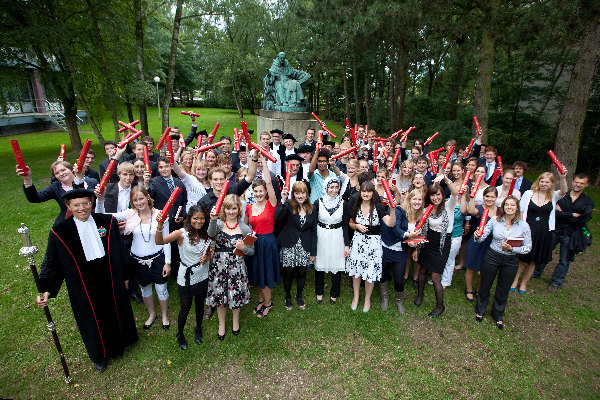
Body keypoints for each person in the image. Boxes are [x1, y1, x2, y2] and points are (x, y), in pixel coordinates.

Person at [37, 189, 138, 371]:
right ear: (68, 206)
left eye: (86, 203)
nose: (82, 208)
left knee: (115, 310)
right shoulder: (60, 232)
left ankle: (120, 343)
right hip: (82, 284)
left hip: (109, 277)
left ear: (92, 203)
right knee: (91, 318)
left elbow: (119, 251)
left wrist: (124, 274)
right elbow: (52, 263)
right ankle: (98, 354)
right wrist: (46, 289)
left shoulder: (106, 222)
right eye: (76, 205)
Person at [96, 186, 172, 330]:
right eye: (135, 200)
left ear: (147, 197)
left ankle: (164, 315)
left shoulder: (161, 215)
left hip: (157, 258)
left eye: (141, 198)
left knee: (161, 288)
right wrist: (100, 199)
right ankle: (151, 314)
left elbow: (166, 240)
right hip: (137, 260)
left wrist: (167, 262)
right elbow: (102, 216)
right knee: (145, 289)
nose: (138, 202)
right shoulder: (130, 214)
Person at [156, 205, 213, 349]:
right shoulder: (181, 234)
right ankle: (180, 334)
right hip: (186, 277)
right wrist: (159, 225)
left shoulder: (206, 233)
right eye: (195, 218)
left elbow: (210, 250)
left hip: (202, 275)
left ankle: (198, 328)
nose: (199, 221)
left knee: (200, 304)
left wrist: (207, 258)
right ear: (189, 219)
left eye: (201, 218)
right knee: (185, 307)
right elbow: (159, 241)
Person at [474, 196, 532, 329]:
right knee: (485, 285)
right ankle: (480, 310)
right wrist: (477, 236)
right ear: (503, 207)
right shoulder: (495, 220)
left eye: (512, 205)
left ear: (517, 208)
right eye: (507, 205)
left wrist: (513, 248)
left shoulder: (524, 225)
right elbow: (482, 237)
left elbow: (528, 248)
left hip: (511, 260)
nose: (509, 207)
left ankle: (498, 314)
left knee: (503, 288)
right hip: (493, 256)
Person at [534, 173, 594, 291]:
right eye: (577, 182)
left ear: (586, 185)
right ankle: (536, 272)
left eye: (582, 183)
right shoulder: (561, 196)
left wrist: (563, 213)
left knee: (564, 259)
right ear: (573, 181)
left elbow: (583, 218)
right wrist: (572, 215)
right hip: (555, 229)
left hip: (571, 233)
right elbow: (552, 212)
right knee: (545, 252)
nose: (578, 185)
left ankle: (556, 282)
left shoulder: (588, 201)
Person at [512, 171, 568, 294]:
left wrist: (563, 177)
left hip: (543, 232)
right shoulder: (528, 193)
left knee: (534, 259)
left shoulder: (553, 195)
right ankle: (515, 280)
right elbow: (521, 211)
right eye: (541, 181)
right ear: (538, 181)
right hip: (527, 229)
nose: (543, 184)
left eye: (547, 182)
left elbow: (564, 191)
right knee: (522, 257)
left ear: (551, 184)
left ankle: (524, 283)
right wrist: (520, 228)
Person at [206, 195, 253, 339]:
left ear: (239, 209)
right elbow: (210, 234)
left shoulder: (244, 228)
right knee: (219, 296)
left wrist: (243, 247)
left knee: (235, 294)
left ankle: (235, 321)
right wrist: (213, 220)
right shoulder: (218, 224)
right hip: (219, 267)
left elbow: (252, 251)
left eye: (234, 208)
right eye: (228, 208)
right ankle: (221, 324)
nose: (231, 211)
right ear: (223, 209)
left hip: (237, 267)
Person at [346, 181, 397, 312]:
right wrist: (356, 226)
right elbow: (350, 222)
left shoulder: (379, 207)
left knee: (370, 271)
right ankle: (356, 296)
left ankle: (367, 299)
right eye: (363, 191)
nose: (366, 194)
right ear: (360, 192)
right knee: (356, 271)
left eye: (369, 191)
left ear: (373, 192)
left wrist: (392, 209)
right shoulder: (356, 205)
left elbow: (390, 224)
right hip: (358, 241)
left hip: (373, 244)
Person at [413, 177, 458, 318]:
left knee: (435, 275)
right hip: (428, 241)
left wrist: (445, 178)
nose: (436, 197)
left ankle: (440, 306)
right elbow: (421, 229)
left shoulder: (449, 205)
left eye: (438, 194)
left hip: (442, 244)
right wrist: (416, 248)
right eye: (433, 195)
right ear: (429, 196)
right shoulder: (426, 209)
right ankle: (419, 295)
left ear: (442, 195)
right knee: (422, 270)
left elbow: (455, 193)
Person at [244, 155, 280, 318]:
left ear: (265, 192)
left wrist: (263, 162)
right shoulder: (249, 208)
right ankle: (260, 299)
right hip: (254, 242)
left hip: (268, 242)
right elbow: (245, 227)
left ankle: (268, 303)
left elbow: (269, 181)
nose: (258, 194)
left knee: (266, 274)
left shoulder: (271, 204)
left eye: (261, 191)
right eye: (256, 191)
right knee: (257, 272)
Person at [18, 160, 99, 227]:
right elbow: (35, 198)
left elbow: (101, 201)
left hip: (92, 218)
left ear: (71, 169)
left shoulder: (91, 182)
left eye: (63, 170)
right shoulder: (55, 187)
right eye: (57, 173)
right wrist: (27, 180)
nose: (61, 174)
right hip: (68, 222)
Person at [277, 181, 317, 310]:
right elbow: (277, 217)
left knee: (302, 271)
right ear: (293, 194)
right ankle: (288, 296)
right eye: (297, 193)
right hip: (289, 244)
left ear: (307, 194)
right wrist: (283, 199)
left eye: (303, 193)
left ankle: (299, 296)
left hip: (305, 245)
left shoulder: (312, 208)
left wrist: (313, 251)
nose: (300, 196)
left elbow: (313, 231)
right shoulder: (288, 205)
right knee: (289, 272)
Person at [314, 176, 350, 305]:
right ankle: (319, 291)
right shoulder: (318, 203)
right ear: (326, 188)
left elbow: (345, 224)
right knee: (320, 263)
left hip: (337, 235)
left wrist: (346, 244)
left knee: (336, 262)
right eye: (331, 187)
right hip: (321, 234)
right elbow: (314, 223)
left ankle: (334, 292)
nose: (334, 190)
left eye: (336, 187)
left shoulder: (343, 203)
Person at [464, 186, 499, 302]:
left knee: (485, 269)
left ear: (496, 198)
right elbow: (470, 210)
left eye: (492, 197)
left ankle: (479, 289)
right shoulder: (479, 208)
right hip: (477, 241)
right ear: (483, 197)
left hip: (491, 242)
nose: (489, 199)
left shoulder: (500, 211)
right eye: (487, 196)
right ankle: (469, 290)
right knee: (472, 267)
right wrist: (472, 195)